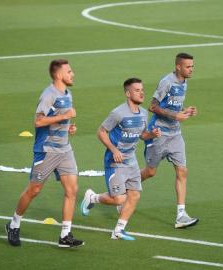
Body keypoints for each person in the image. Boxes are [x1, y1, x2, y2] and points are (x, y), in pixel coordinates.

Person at [5, 59, 83, 248]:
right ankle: (14, 224)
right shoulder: (49, 95)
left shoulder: (67, 93)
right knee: (34, 190)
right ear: (59, 75)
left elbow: (58, 121)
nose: (73, 74)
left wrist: (68, 127)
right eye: (69, 71)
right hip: (46, 150)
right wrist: (65, 116)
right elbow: (38, 122)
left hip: (65, 149)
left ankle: (65, 235)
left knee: (72, 190)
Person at [80, 78, 161, 240]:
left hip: (131, 161)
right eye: (137, 90)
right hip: (114, 161)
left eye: (142, 89)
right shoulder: (118, 113)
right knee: (119, 199)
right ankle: (92, 197)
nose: (142, 92)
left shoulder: (144, 113)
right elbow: (101, 132)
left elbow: (142, 135)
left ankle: (118, 230)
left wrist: (151, 134)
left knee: (134, 195)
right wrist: (114, 149)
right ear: (127, 93)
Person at [141, 53, 199, 229]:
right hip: (159, 133)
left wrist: (185, 110)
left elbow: (173, 105)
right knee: (150, 172)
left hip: (175, 134)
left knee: (182, 171)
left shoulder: (184, 83)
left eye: (192, 66)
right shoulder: (167, 82)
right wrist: (175, 115)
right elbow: (152, 106)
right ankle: (124, 190)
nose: (191, 69)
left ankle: (181, 215)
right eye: (188, 66)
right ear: (178, 67)